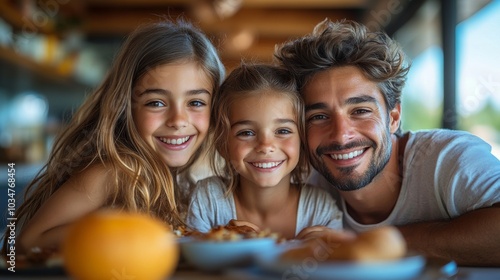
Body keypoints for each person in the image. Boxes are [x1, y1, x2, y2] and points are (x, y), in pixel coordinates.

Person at [274, 19, 500, 266]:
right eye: (318, 117)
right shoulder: (305, 192)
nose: (340, 135)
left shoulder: (450, 158)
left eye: (360, 111)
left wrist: (374, 243)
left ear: (393, 118)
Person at [1, 19, 225, 254]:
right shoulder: (114, 173)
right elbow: (25, 242)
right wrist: (116, 227)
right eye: (156, 102)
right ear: (125, 106)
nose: (178, 120)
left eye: (196, 102)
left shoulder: (178, 178)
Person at [186, 63, 343, 239]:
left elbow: (337, 260)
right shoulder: (208, 199)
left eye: (282, 131)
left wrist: (323, 250)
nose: (265, 146)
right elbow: (193, 258)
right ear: (223, 144)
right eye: (246, 133)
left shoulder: (320, 209)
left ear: (302, 140)